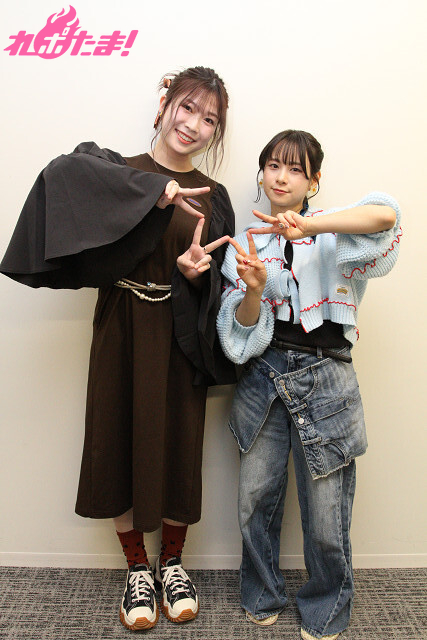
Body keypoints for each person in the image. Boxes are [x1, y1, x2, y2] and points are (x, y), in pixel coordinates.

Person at [1, 67, 235, 631]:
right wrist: (155, 192)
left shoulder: (216, 196)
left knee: (180, 442)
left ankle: (171, 563)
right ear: (165, 104)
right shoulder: (115, 169)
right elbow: (61, 175)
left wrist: (196, 275)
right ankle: (136, 569)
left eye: (209, 119)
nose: (194, 124)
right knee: (117, 436)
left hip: (181, 333)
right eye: (187, 107)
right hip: (122, 326)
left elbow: (220, 284)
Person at [216, 130, 401, 640]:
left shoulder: (334, 230)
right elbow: (241, 333)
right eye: (273, 165)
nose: (281, 177)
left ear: (313, 180)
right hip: (264, 374)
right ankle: (261, 593)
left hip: (328, 375)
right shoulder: (245, 243)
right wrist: (254, 291)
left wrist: (309, 227)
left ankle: (326, 608)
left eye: (295, 169)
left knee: (326, 509)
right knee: (255, 498)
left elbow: (386, 216)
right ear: (261, 173)